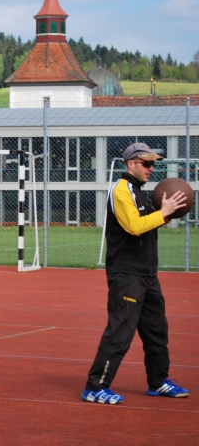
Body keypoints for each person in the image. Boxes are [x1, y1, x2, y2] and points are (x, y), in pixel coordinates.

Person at [82, 143, 190, 404]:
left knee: (156, 331)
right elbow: (134, 226)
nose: (151, 168)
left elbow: (147, 224)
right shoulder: (122, 190)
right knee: (120, 332)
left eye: (153, 164)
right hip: (126, 275)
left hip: (147, 274)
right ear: (131, 164)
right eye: (146, 163)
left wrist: (165, 215)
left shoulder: (140, 192)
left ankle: (158, 382)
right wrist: (163, 213)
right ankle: (94, 387)